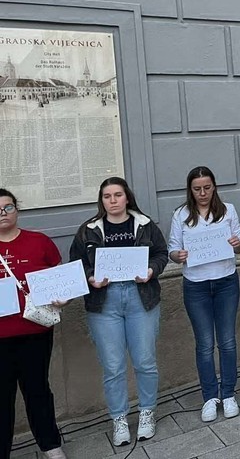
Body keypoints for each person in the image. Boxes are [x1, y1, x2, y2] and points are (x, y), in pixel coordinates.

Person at [69, 177, 168, 447]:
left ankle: (147, 412)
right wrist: (91, 278)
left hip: (141, 298)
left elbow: (161, 254)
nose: (112, 201)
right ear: (101, 200)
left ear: (127, 197)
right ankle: (119, 419)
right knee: (113, 366)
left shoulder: (145, 225)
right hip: (104, 301)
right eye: (107, 196)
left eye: (117, 195)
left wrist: (151, 271)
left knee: (145, 361)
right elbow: (76, 262)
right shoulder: (88, 230)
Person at [168, 167, 240, 422]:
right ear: (190, 190)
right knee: (204, 344)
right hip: (196, 285)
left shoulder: (228, 210)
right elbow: (173, 249)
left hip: (225, 282)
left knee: (228, 341)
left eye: (207, 187)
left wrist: (238, 245)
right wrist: (177, 256)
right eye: (197, 189)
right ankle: (210, 397)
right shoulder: (181, 214)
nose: (202, 193)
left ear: (214, 187)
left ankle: (229, 393)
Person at [0, 189, 66, 459]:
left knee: (37, 390)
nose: (2, 214)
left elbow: (62, 280)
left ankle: (51, 445)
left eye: (8, 207)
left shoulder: (39, 242)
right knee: (1, 398)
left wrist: (63, 299)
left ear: (17, 210)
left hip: (35, 332)